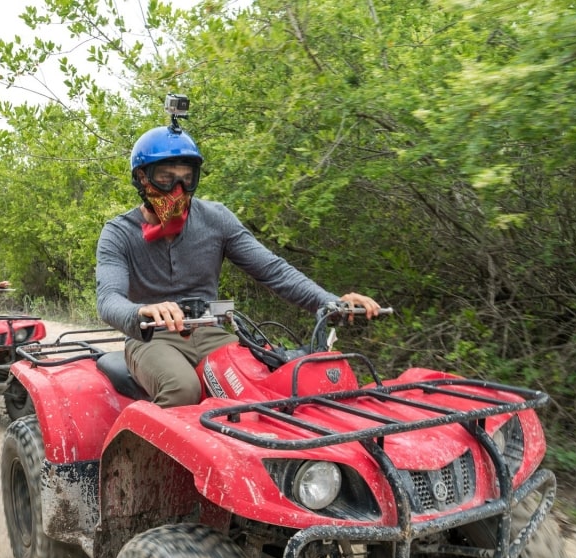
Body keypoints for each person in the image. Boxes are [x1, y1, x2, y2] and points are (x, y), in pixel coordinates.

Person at [95, 124, 383, 407]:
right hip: (151, 337)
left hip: (211, 332)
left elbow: (274, 270)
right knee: (181, 388)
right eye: (166, 178)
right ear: (142, 179)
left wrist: (332, 304)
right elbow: (108, 299)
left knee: (266, 384)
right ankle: (143, 454)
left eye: (186, 178)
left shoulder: (216, 219)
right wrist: (141, 311)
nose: (177, 189)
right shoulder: (118, 233)